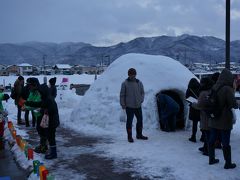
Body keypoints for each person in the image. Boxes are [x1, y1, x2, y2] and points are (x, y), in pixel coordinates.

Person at [208, 68, 237, 169]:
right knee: (225, 142)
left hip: (213, 118)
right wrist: (234, 90)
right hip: (224, 120)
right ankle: (227, 163)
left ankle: (211, 159)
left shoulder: (214, 86)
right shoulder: (227, 89)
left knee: (211, 139)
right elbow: (234, 104)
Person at [25, 83, 60, 159]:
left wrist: (42, 110)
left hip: (52, 122)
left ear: (44, 92)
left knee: (51, 138)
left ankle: (53, 154)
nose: (40, 94)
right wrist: (28, 102)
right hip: (50, 121)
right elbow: (40, 104)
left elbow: (51, 110)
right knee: (50, 137)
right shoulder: (46, 98)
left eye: (40, 92)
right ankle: (52, 152)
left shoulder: (49, 99)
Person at [120, 68, 148, 143]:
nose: (132, 76)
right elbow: (122, 95)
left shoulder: (139, 82)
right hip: (129, 106)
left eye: (134, 74)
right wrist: (123, 104)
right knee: (129, 121)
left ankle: (139, 135)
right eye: (131, 74)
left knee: (140, 120)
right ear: (128, 75)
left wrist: (141, 99)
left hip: (138, 106)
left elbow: (142, 92)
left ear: (135, 75)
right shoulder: (125, 83)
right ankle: (129, 137)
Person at [191, 77, 214, 156]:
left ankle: (208, 150)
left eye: (201, 82)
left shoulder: (203, 93)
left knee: (206, 132)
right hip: (211, 114)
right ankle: (205, 147)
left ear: (204, 83)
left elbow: (199, 105)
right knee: (208, 132)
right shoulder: (211, 90)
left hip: (205, 115)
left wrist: (193, 104)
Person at [186, 78, 201, 142]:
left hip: (194, 107)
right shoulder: (200, 88)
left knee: (195, 123)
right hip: (200, 106)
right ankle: (203, 136)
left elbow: (187, 97)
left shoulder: (189, 89)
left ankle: (193, 136)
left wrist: (192, 101)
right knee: (202, 122)